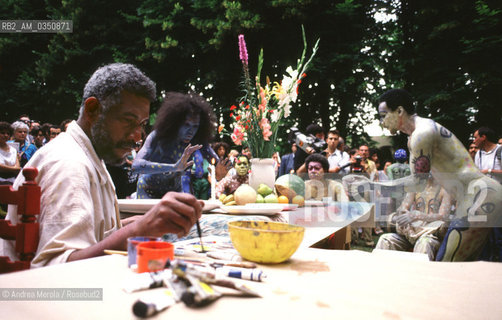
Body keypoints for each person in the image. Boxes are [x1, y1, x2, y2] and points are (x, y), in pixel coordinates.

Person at [0, 63, 203, 267]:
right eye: (128, 121)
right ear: (93, 110)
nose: (137, 138)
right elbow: (58, 269)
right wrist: (138, 230)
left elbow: (93, 232)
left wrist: (145, 223)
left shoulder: (90, 156)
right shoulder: (69, 165)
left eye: (141, 125)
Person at [345, 88, 502, 261]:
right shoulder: (417, 134)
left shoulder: (422, 134)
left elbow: (417, 183)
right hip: (479, 196)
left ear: (399, 111)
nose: (382, 122)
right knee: (461, 268)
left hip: (481, 196)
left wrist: (370, 185)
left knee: (447, 267)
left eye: (383, 115)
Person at [132, 92, 218, 199]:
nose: (191, 131)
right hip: (147, 191)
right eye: (186, 125)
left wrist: (221, 171)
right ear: (176, 122)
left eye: (195, 126)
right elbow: (136, 166)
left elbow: (217, 164)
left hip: (174, 192)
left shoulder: (197, 140)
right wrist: (173, 167)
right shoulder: (158, 136)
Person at [375, 176, 454, 260]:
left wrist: (418, 215)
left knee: (424, 242)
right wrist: (405, 215)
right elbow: (403, 208)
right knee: (385, 239)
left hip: (430, 234)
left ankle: (417, 272)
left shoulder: (446, 190)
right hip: (411, 232)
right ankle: (379, 271)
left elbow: (443, 216)